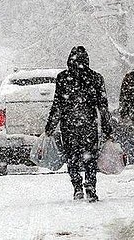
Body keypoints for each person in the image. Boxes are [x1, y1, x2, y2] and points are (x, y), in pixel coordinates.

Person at [45, 46, 112, 202]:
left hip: (69, 125)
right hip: (89, 124)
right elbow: (102, 106)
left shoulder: (63, 78)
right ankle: (90, 186)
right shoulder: (96, 78)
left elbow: (58, 104)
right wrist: (108, 128)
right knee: (90, 158)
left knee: (72, 157)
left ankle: (77, 187)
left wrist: (50, 126)